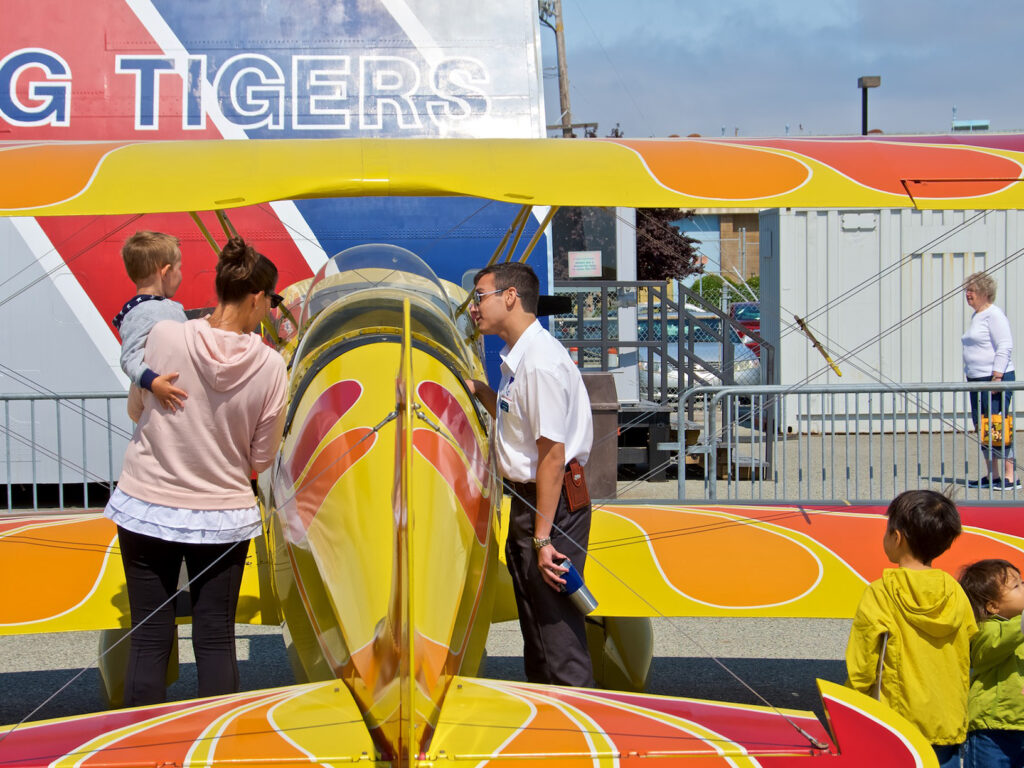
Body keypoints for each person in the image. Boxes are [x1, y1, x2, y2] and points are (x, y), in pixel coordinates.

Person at [104, 236, 288, 706]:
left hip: (147, 504)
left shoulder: (166, 336)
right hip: (223, 513)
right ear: (256, 297)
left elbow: (137, 407)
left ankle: (141, 738)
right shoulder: (271, 366)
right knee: (215, 637)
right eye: (271, 301)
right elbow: (261, 458)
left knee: (149, 636)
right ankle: (212, 741)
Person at [466, 262, 595, 687]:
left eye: (479, 296)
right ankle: (548, 714)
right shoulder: (520, 358)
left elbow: (552, 456)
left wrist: (542, 538)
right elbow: (516, 423)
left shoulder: (538, 363)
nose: (473, 307)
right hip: (532, 501)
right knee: (537, 631)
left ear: (510, 297)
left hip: (551, 505)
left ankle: (575, 719)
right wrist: (479, 391)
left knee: (557, 634)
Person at [845, 489, 977, 768]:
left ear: (897, 537)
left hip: (897, 725)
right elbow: (969, 643)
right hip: (947, 721)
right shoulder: (955, 591)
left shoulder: (880, 592)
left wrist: (850, 710)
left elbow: (862, 666)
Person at [113, 230, 189, 412]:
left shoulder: (162, 307)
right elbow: (130, 357)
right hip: (160, 402)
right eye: (179, 268)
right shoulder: (142, 312)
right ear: (166, 272)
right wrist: (153, 382)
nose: (180, 275)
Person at [958, 559, 1024, 767]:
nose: (1023, 588)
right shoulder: (985, 630)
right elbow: (996, 643)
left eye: (1022, 582)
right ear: (993, 606)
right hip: (991, 728)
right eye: (1016, 586)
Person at [962, 271, 1018, 490]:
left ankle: (1010, 477)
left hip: (993, 379)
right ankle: (992, 474)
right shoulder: (977, 316)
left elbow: (1005, 345)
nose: (968, 294)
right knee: (983, 426)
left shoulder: (994, 315)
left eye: (972, 290)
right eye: (966, 290)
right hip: (977, 380)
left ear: (985, 292)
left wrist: (997, 376)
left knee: (997, 424)